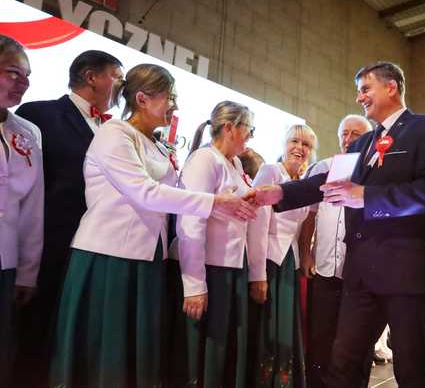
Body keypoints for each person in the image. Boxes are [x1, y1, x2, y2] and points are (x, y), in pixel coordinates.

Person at [49, 64, 257, 388]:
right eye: (169, 96)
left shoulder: (157, 145)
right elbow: (146, 193)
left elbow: (178, 196)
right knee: (107, 351)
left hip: (146, 259)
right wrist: (215, 201)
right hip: (109, 256)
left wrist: (222, 199)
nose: (174, 105)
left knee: (137, 354)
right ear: (143, 99)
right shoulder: (115, 133)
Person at [254, 61, 425, 388]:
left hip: (408, 272)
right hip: (361, 274)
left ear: (391, 87)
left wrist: (367, 196)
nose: (359, 97)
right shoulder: (361, 145)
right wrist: (279, 193)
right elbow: (326, 181)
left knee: (412, 368)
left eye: (365, 89)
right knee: (343, 362)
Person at [14, 50, 124, 385]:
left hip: (90, 250)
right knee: (31, 334)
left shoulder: (114, 130)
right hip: (46, 248)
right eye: (117, 76)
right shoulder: (39, 115)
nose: (122, 84)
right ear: (91, 77)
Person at [170, 101, 258, 387]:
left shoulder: (233, 163)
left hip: (231, 268)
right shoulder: (204, 160)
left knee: (223, 349)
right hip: (208, 269)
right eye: (250, 129)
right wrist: (195, 285)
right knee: (202, 350)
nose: (251, 137)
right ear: (230, 128)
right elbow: (189, 222)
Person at [297, 114, 372, 388]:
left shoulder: (376, 172)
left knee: (357, 343)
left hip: (360, 276)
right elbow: (308, 215)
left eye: (356, 134)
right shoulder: (323, 167)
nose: (349, 139)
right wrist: (306, 253)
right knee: (321, 340)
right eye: (345, 133)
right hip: (325, 270)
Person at [248, 124, 318, 388]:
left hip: (289, 264)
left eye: (306, 145)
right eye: (294, 142)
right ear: (283, 144)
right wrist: (258, 275)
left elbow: (305, 228)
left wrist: (305, 256)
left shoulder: (303, 183)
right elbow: (255, 222)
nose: (299, 148)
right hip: (267, 261)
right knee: (268, 328)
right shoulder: (270, 171)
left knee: (286, 328)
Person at [0, 35, 43, 380]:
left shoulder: (27, 132)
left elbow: (32, 207)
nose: (23, 83)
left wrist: (27, 271)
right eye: (14, 73)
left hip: (5, 264)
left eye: (27, 76)